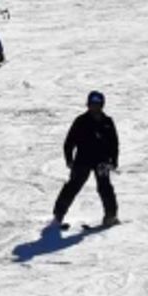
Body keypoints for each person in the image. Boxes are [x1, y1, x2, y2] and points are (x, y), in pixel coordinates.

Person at [53, 91, 119, 228]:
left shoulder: (107, 122)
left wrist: (114, 161)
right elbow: (69, 142)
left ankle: (110, 216)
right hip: (83, 160)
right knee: (73, 186)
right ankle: (58, 216)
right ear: (88, 104)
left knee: (105, 187)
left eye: (98, 104)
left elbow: (114, 143)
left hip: (102, 161)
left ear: (102, 105)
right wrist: (69, 159)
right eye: (92, 104)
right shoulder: (81, 121)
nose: (95, 107)